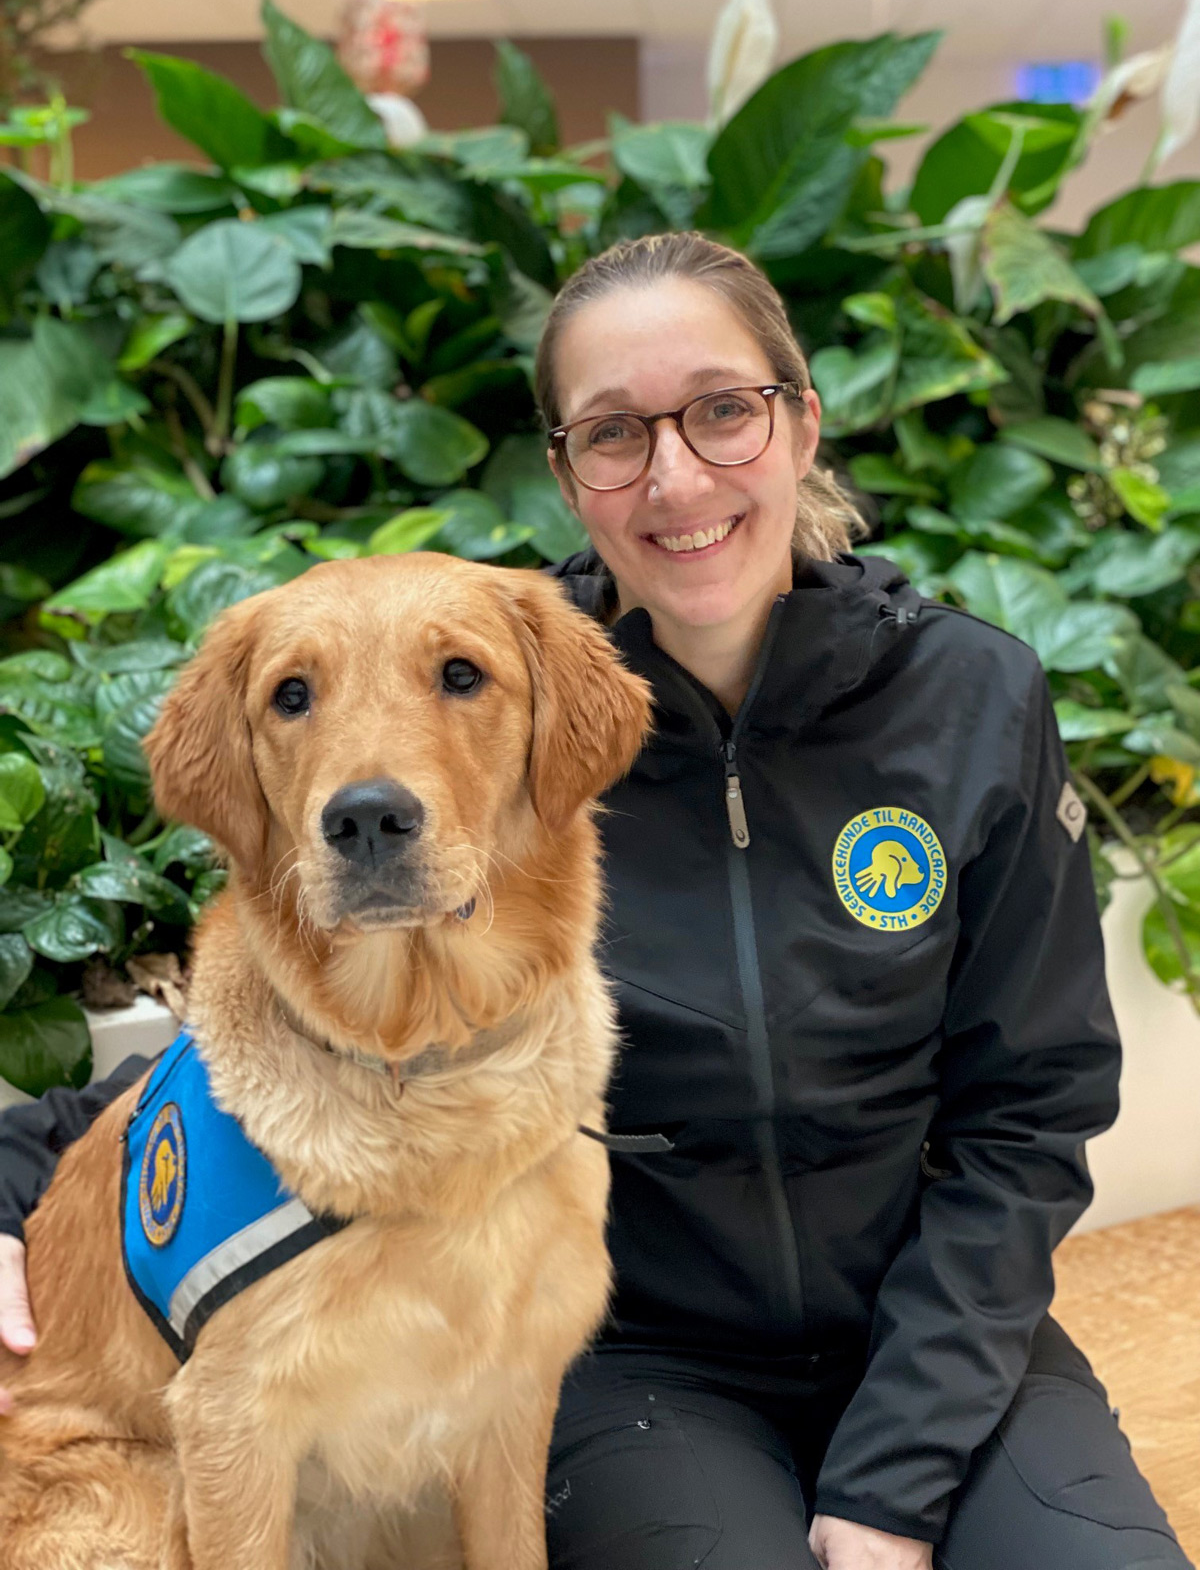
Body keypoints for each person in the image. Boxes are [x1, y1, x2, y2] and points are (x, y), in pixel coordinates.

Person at [0, 232, 1190, 1570]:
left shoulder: (970, 698)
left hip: (940, 1335)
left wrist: (890, 1485)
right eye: (616, 433)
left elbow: (1029, 1113)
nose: (676, 477)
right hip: (647, 1372)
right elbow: (259, 1047)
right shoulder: (501, 687)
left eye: (724, 411)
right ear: (569, 475)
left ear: (801, 423)